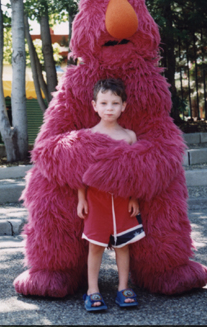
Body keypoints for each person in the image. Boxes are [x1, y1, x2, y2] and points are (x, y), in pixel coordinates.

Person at [77, 78, 145, 312]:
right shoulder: (87, 135)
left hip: (123, 201)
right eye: (104, 103)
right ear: (94, 105)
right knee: (94, 247)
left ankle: (123, 288)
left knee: (123, 246)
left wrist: (134, 197)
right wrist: (81, 198)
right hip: (96, 202)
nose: (109, 108)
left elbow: (134, 172)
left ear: (123, 106)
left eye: (115, 103)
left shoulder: (130, 136)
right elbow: (80, 172)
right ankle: (92, 290)